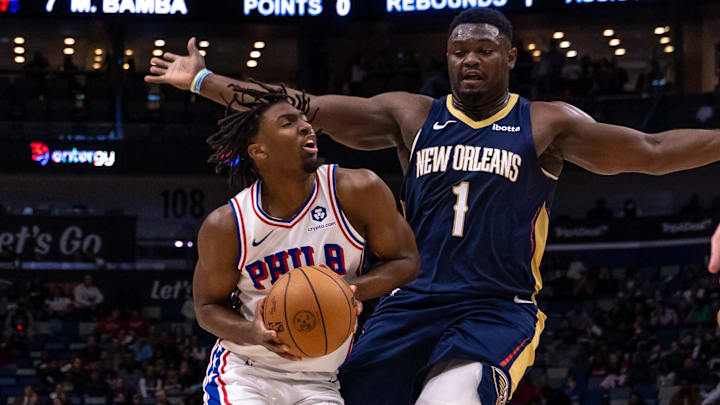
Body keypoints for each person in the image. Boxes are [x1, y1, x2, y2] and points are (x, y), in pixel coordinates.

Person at [146, 8, 720, 405]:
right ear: (446, 57)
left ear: (511, 57)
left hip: (496, 306)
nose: (470, 61)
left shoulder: (548, 123)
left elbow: (652, 151)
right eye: (459, 51)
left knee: (448, 399)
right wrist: (203, 80)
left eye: (484, 51)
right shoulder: (411, 115)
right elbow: (300, 107)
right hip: (409, 302)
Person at [190, 84, 419, 404]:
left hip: (320, 380)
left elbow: (407, 260)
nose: (305, 125)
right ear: (259, 151)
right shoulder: (228, 224)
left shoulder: (357, 190)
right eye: (288, 123)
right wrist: (252, 332)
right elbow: (205, 308)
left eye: (304, 119)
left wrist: (352, 290)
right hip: (247, 373)